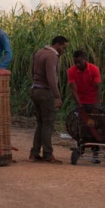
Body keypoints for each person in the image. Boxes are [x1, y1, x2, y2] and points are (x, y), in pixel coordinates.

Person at [29, 35, 68, 163]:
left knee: (40, 123)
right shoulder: (52, 56)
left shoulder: (39, 52)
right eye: (63, 47)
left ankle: (34, 153)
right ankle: (47, 154)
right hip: (45, 92)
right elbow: (51, 78)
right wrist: (57, 96)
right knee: (48, 124)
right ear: (57, 44)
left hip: (35, 89)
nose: (64, 51)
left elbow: (32, 71)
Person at [67, 49, 103, 162]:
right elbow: (73, 90)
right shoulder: (71, 71)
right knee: (80, 125)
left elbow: (98, 88)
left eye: (79, 62)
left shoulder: (93, 69)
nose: (77, 65)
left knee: (94, 126)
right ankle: (80, 148)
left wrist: (96, 106)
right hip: (81, 101)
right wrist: (79, 106)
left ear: (84, 60)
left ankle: (95, 152)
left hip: (93, 101)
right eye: (75, 62)